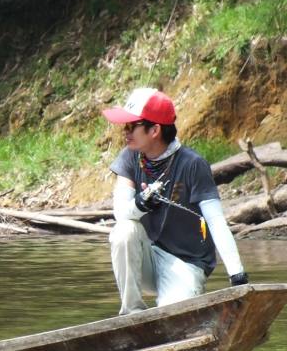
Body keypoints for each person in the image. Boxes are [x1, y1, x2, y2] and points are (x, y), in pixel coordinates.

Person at [103, 87, 248, 315]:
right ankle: (131, 314)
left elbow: (216, 221)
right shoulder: (129, 157)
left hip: (185, 263)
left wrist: (237, 274)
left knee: (174, 317)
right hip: (147, 256)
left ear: (154, 130)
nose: (125, 131)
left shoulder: (192, 164)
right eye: (125, 126)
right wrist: (140, 204)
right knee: (123, 231)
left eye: (132, 126)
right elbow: (121, 214)